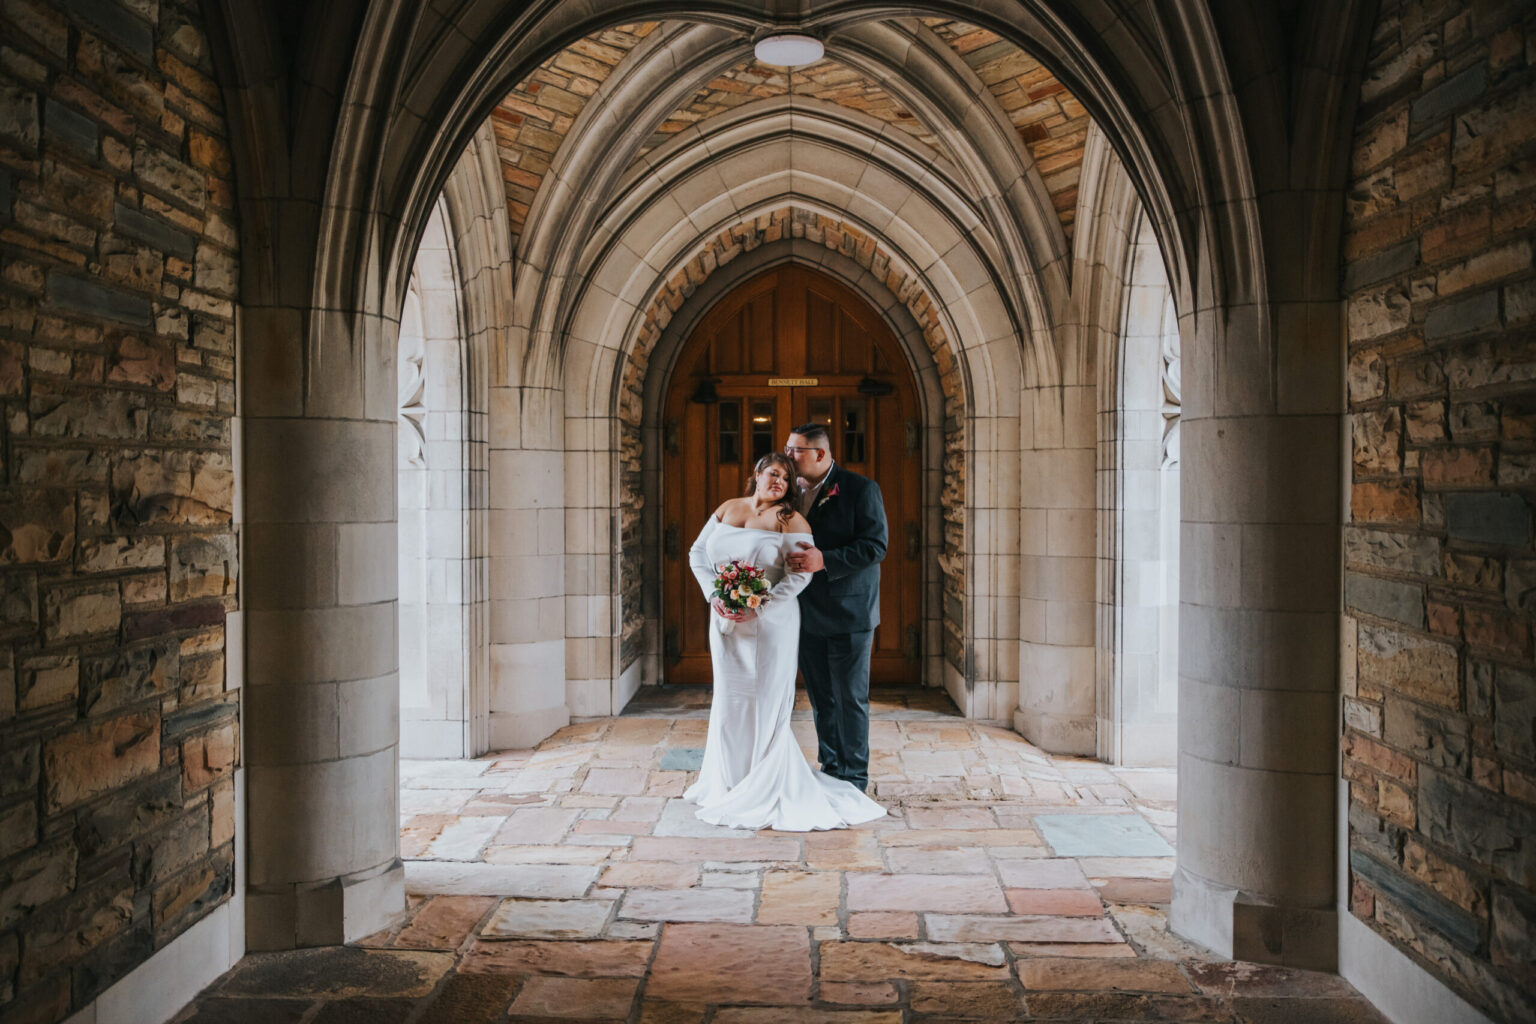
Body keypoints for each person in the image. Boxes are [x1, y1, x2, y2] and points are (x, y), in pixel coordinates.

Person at [684, 451, 885, 831]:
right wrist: (715, 595)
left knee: (763, 699)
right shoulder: (728, 508)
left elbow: (798, 576)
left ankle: (764, 780)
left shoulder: (790, 520)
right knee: (730, 697)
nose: (779, 482)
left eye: (787, 479)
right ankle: (729, 779)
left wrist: (758, 605)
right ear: (757, 474)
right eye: (773, 473)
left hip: (769, 624)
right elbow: (698, 553)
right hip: (724, 622)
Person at [782, 423, 887, 793]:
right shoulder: (787, 492)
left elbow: (875, 546)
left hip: (849, 614)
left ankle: (855, 779)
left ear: (820, 455)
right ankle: (831, 767)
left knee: (850, 699)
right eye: (787, 448)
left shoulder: (861, 489)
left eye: (796, 450)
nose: (789, 456)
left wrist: (824, 559)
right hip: (805, 613)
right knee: (821, 698)